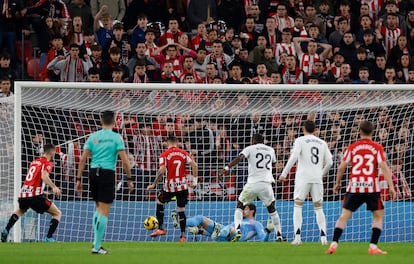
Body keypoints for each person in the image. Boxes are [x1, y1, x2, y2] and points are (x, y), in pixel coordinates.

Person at [325, 121, 397, 255]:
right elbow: (383, 166)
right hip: (371, 186)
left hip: (354, 186)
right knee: (378, 216)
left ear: (360, 131)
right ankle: (373, 247)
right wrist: (391, 186)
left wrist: (337, 182)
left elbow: (342, 166)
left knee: (344, 216)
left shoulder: (352, 147)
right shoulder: (377, 147)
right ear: (372, 132)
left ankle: (333, 245)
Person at [76, 111, 134, 255]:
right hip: (107, 173)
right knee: (104, 210)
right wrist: (129, 178)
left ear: (101, 122)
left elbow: (83, 159)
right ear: (114, 122)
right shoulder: (116, 138)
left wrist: (78, 179)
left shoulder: (93, 137)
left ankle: (96, 242)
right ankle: (97, 246)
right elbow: (125, 160)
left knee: (98, 208)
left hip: (93, 173)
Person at [220, 134, 284, 242]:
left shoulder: (250, 148)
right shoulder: (271, 150)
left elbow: (239, 158)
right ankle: (279, 236)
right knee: (272, 210)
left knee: (240, 205)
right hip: (266, 184)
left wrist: (227, 167)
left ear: (253, 141)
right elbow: (273, 162)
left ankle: (238, 230)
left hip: (253, 183)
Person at [279, 120, 333, 245]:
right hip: (316, 178)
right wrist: (321, 173)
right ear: (315, 130)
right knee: (318, 207)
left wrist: (284, 173)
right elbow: (330, 162)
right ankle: (324, 239)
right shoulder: (322, 143)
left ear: (303, 129)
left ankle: (297, 238)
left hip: (303, 177)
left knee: (298, 205)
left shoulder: (300, 141)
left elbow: (294, 157)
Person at [1, 144, 62, 243]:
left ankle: (6, 230)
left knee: (21, 210)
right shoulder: (47, 163)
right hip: (35, 197)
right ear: (51, 152)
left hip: (23, 194)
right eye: (54, 152)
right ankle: (48, 238)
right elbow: (44, 176)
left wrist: (43, 192)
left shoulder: (34, 161)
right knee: (57, 213)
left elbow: (33, 180)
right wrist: (54, 187)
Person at [146, 135, 198, 242]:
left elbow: (161, 171)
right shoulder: (184, 153)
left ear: (167, 143)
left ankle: (161, 228)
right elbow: (195, 165)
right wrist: (195, 180)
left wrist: (154, 184)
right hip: (183, 186)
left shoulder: (164, 155)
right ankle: (183, 236)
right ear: (177, 143)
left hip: (170, 187)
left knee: (159, 201)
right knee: (181, 210)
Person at [187, 204, 274, 242]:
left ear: (252, 211)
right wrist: (200, 232)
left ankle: (219, 232)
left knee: (231, 229)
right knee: (200, 218)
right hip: (225, 236)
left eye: (245, 209)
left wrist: (268, 232)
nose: (243, 211)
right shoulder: (239, 221)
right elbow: (212, 235)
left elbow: (263, 240)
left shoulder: (256, 224)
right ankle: (181, 223)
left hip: (234, 236)